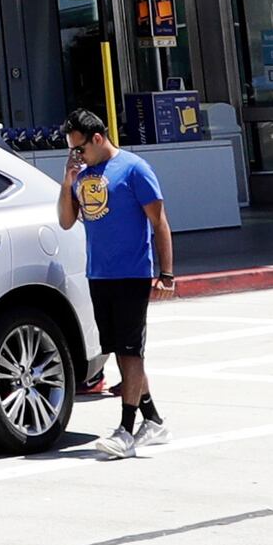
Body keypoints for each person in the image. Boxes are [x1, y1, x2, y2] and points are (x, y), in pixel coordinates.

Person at [57, 108, 175, 458]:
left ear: (98, 138)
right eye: (72, 151)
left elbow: (160, 222)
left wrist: (166, 273)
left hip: (131, 273)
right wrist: (67, 180)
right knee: (119, 351)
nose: (77, 155)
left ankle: (126, 428)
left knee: (130, 349)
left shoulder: (134, 169)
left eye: (80, 148)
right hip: (99, 273)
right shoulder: (81, 174)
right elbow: (66, 221)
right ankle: (153, 419)